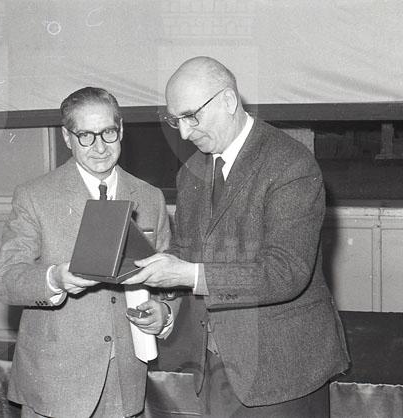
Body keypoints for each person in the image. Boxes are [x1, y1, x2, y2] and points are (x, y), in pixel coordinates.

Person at [123, 56, 350, 417]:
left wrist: (187, 274)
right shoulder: (191, 172)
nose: (184, 133)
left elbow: (284, 273)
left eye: (191, 116)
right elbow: (189, 252)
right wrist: (162, 295)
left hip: (282, 374)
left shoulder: (290, 164)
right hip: (215, 370)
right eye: (175, 120)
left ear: (228, 100)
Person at [0, 86, 173, 418]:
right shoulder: (34, 196)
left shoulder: (150, 198)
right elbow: (6, 281)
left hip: (125, 375)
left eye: (108, 132)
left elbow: (167, 281)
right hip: (55, 380)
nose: (100, 147)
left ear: (121, 129)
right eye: (86, 136)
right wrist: (55, 279)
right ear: (67, 137)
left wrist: (164, 312)